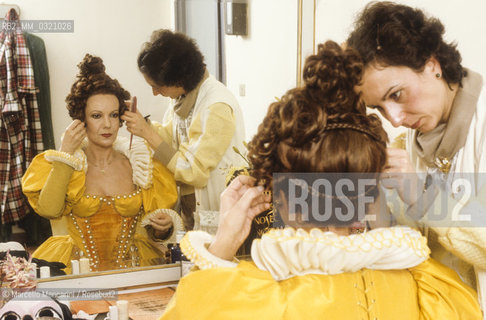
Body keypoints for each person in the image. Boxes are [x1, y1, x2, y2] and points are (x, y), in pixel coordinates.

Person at [159, 41, 482, 319]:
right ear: (369, 196)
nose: (397, 119)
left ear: (279, 198)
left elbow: (188, 308)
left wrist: (224, 242)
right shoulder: (429, 289)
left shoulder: (250, 296)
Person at [347, 1, 486, 306]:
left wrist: (424, 197)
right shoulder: (406, 143)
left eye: (396, 95)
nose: (394, 118)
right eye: (379, 108)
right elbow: (408, 246)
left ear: (432, 66)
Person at [21, 54, 180, 273]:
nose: (107, 125)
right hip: (75, 270)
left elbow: (156, 231)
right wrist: (65, 154)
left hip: (133, 269)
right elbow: (50, 210)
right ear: (81, 119)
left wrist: (163, 228)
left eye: (113, 115)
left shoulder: (141, 166)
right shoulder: (66, 164)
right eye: (97, 116)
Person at [121, 29, 246, 231]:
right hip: (191, 213)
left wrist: (147, 133)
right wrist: (144, 125)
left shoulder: (216, 106)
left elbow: (193, 170)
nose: (155, 93)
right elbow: (171, 142)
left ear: (178, 80)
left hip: (218, 217)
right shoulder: (182, 98)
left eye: (158, 86)